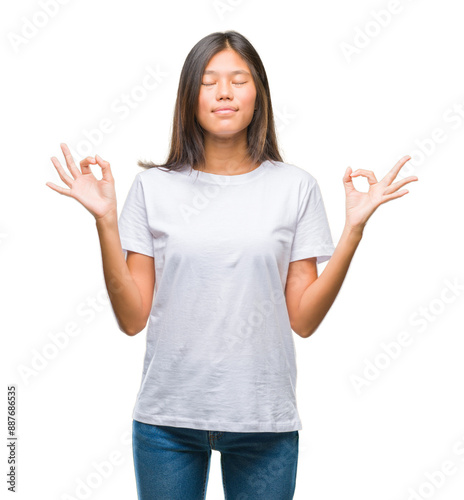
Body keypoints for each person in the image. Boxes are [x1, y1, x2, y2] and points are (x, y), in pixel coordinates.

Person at [46, 30, 418, 500]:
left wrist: (353, 231)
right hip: (167, 422)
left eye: (238, 80)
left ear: (258, 93)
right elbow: (131, 318)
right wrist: (105, 222)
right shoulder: (153, 188)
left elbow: (303, 320)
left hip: (263, 419)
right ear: (189, 96)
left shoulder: (295, 187)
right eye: (209, 81)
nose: (224, 92)